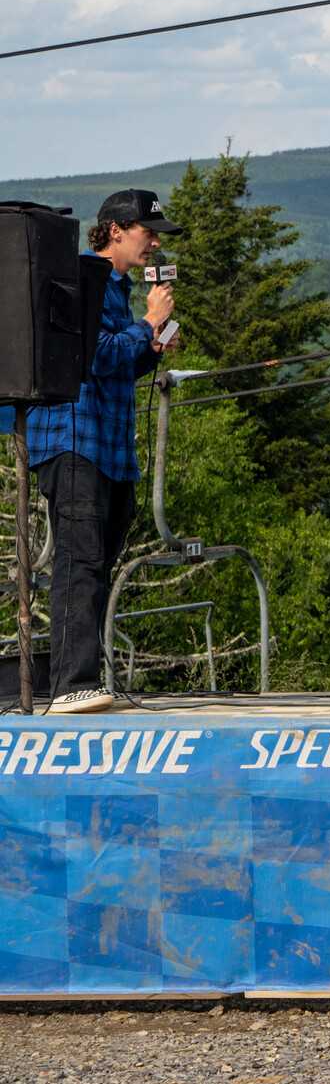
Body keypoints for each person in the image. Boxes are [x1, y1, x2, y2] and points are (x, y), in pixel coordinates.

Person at [22, 189, 182, 715]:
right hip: (75, 440)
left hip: (108, 445)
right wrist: (149, 325)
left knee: (99, 559)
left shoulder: (116, 288)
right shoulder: (86, 279)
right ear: (115, 229)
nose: (155, 242)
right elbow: (91, 355)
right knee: (80, 561)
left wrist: (150, 347)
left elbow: (117, 364)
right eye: (147, 231)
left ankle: (80, 676)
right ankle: (71, 684)